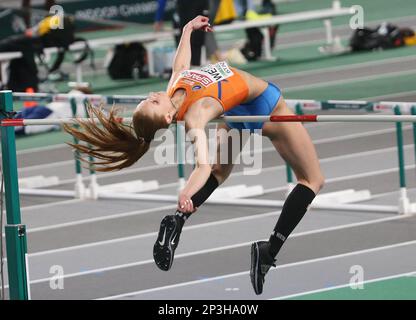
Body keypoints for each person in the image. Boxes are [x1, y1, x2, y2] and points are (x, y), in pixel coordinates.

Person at [64, 16, 325, 295]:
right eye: (152, 101)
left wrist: (188, 30)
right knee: (312, 180)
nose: (153, 93)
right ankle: (268, 250)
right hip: (266, 105)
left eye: (148, 97)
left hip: (235, 109)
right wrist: (186, 192)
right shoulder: (195, 116)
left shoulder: (174, 87)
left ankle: (178, 220)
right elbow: (202, 165)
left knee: (220, 173)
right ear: (166, 116)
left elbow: (181, 64)